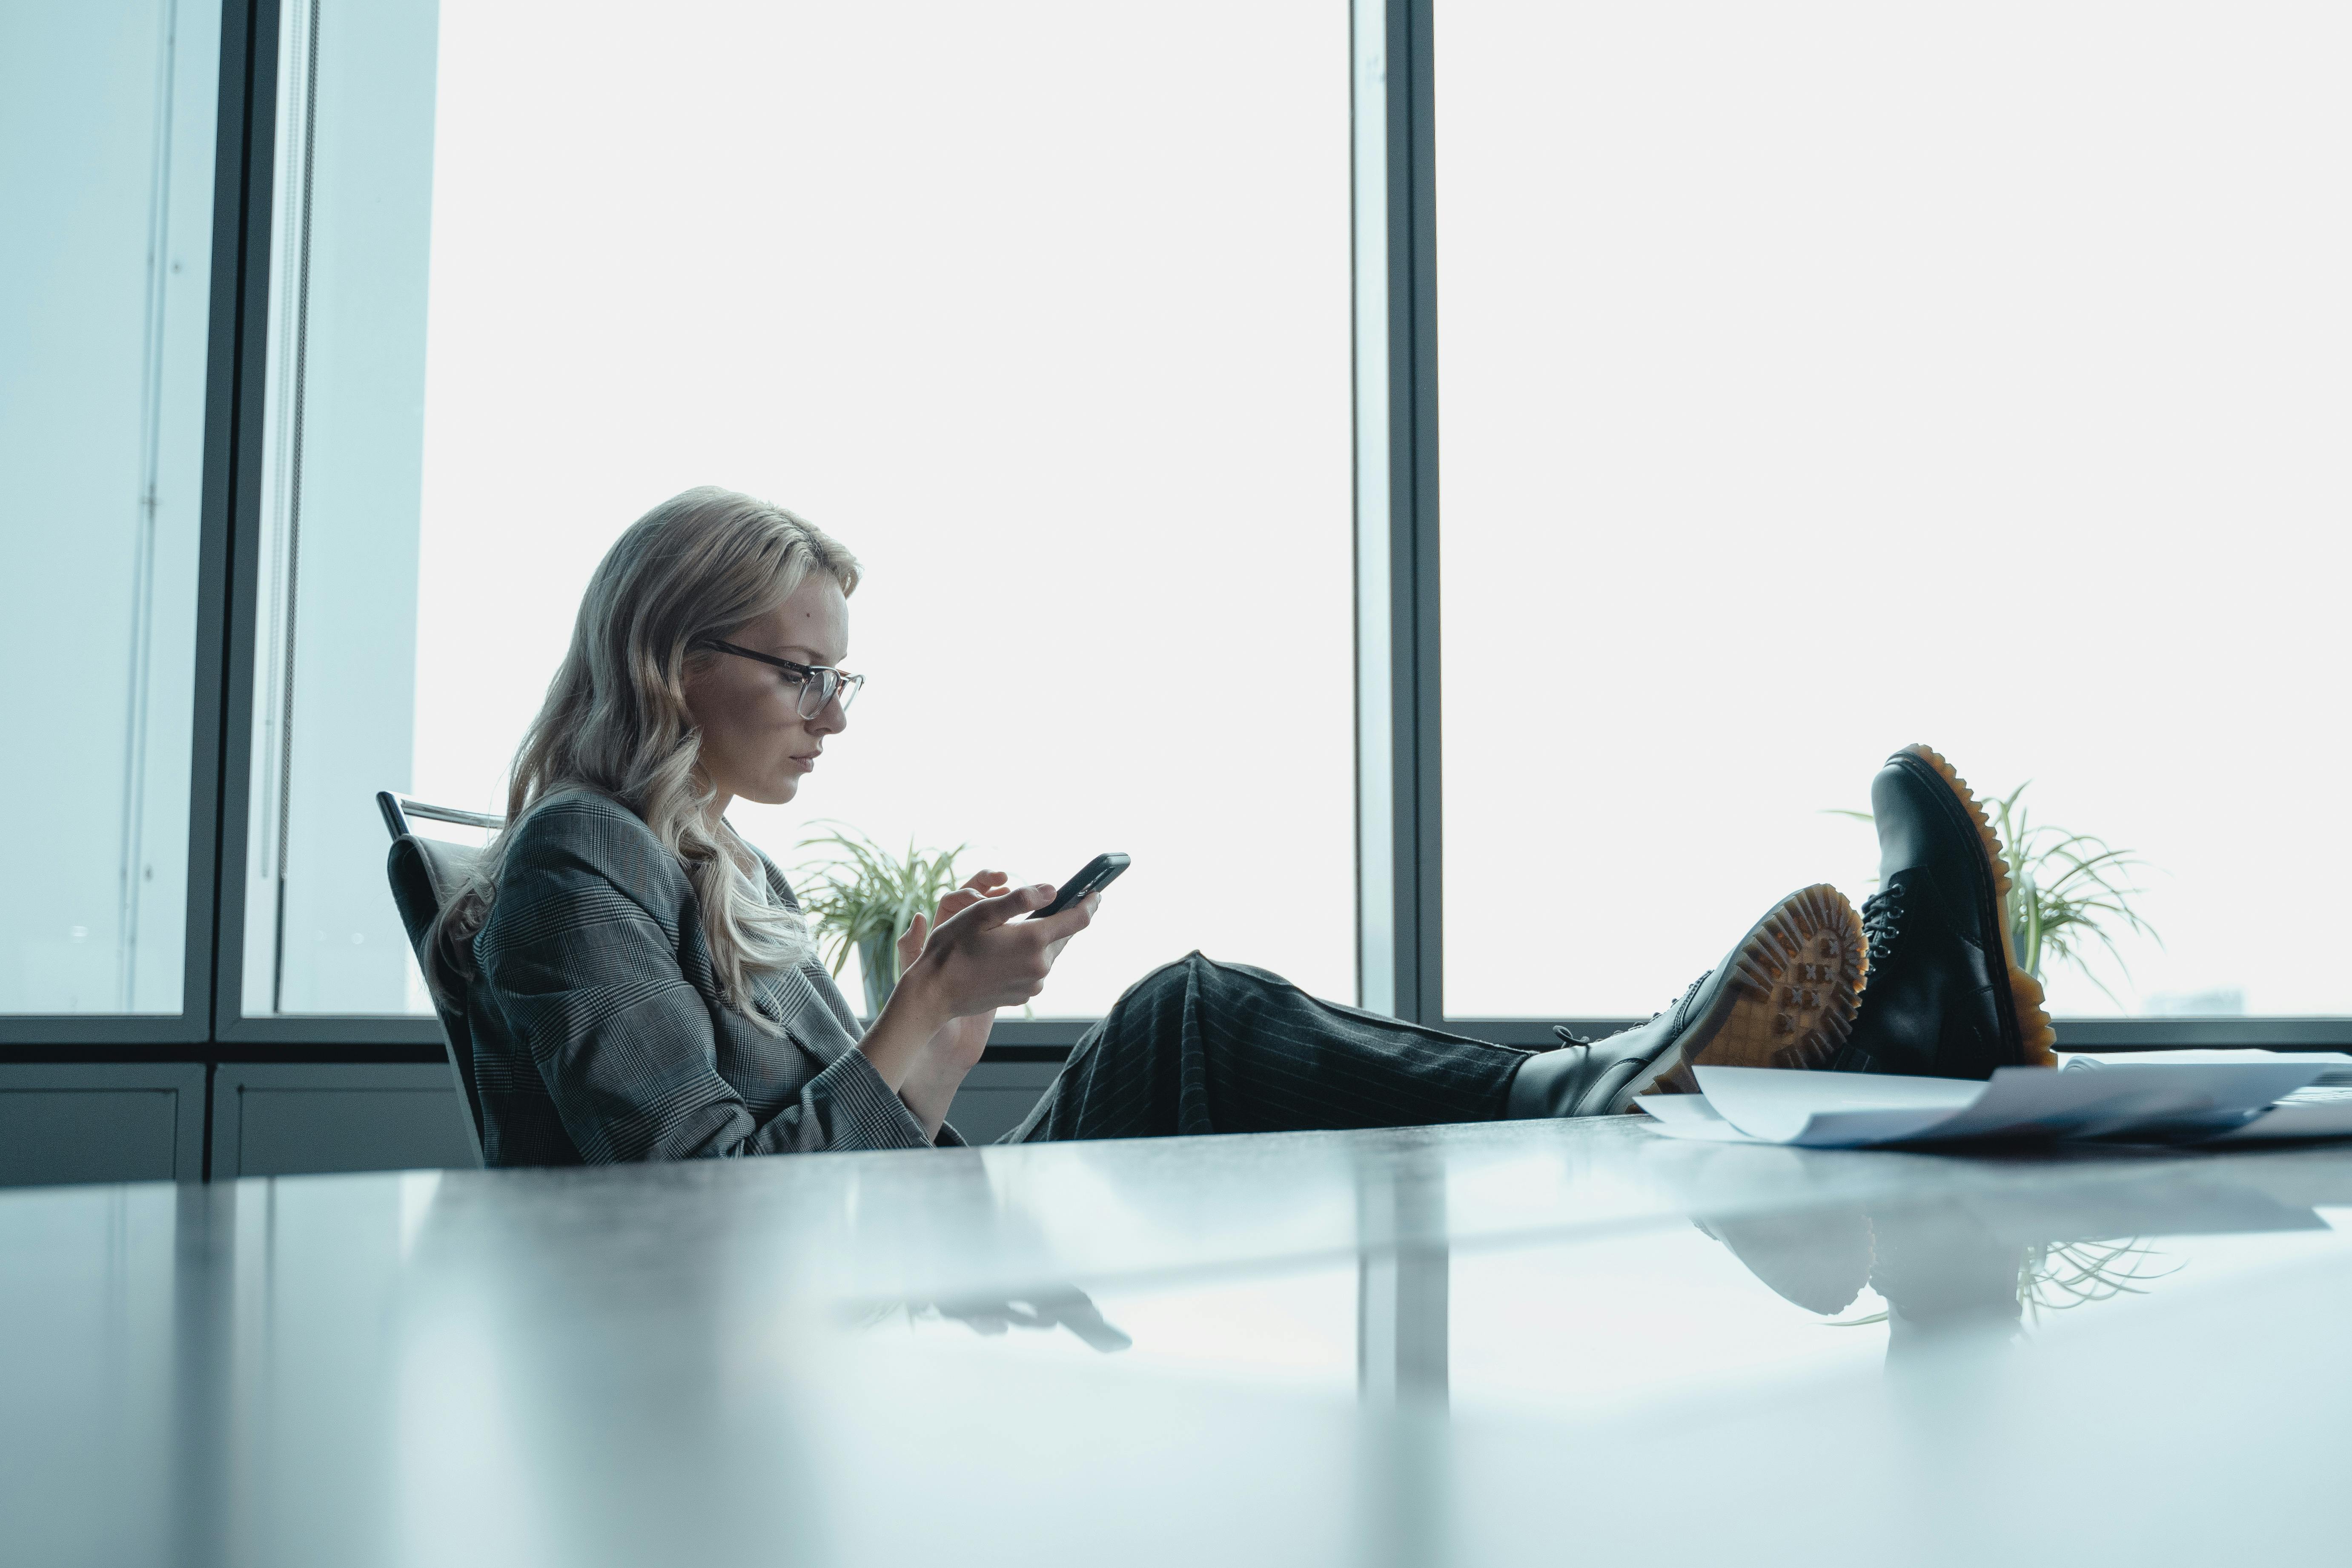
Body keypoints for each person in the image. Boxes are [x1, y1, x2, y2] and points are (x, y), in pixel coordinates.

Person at [429, 487, 2054, 1166]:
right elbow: (717, 1201)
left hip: (876, 1264)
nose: (830, 715)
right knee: (1195, 1015)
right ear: (667, 649)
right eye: (802, 673)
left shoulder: (722, 867)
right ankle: (1642, 1075)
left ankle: (1772, 1052)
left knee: (1197, 1014)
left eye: (845, 682)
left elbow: (873, 1157)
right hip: (829, 1303)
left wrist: (956, 996)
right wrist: (932, 1006)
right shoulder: (584, 861)